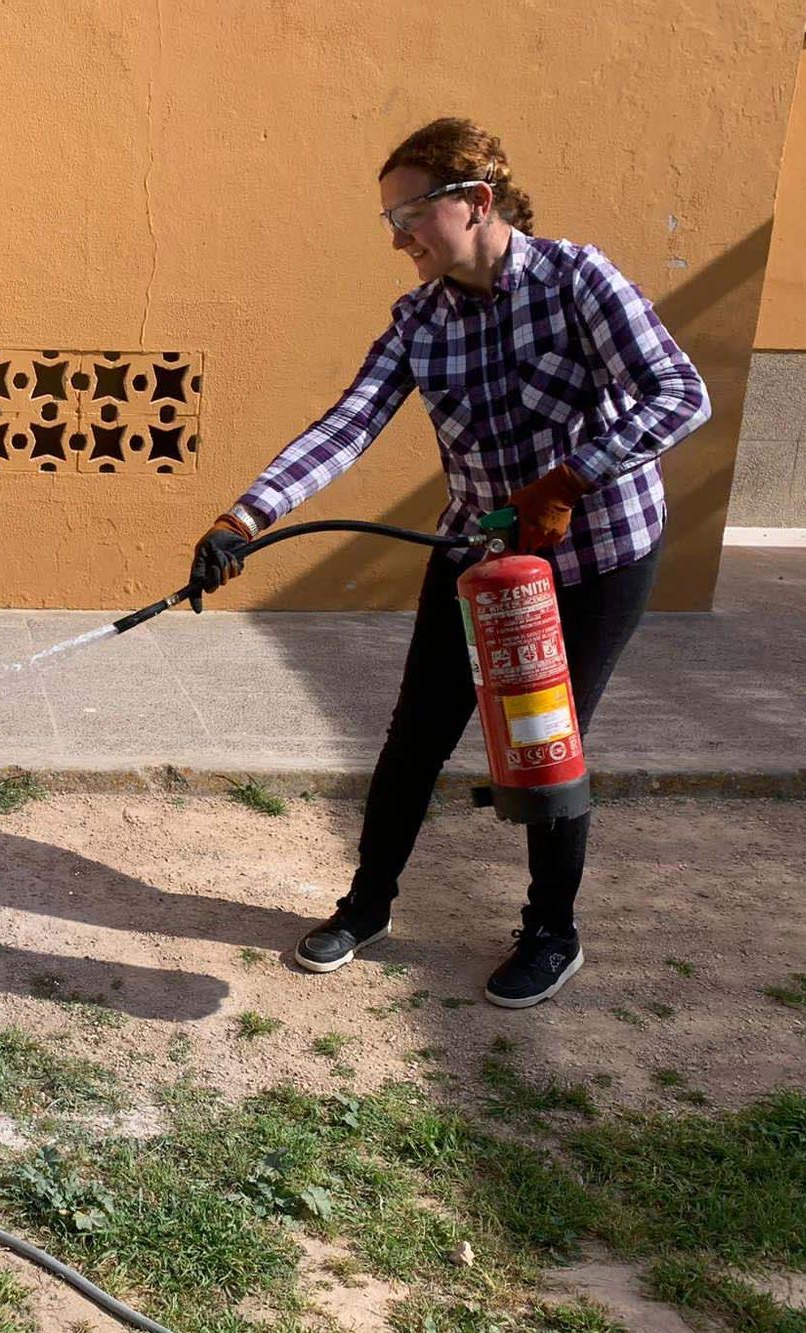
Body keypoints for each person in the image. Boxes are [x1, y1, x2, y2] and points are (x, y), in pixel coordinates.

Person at [190, 117, 710, 1008]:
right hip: (480, 550)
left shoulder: (579, 281)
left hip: (599, 553)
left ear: (476, 201)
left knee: (548, 742)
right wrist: (248, 513)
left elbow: (681, 393)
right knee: (416, 732)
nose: (397, 237)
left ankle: (553, 932)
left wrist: (573, 475)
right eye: (388, 220)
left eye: (410, 214)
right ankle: (367, 905)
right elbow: (347, 425)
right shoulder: (418, 322)